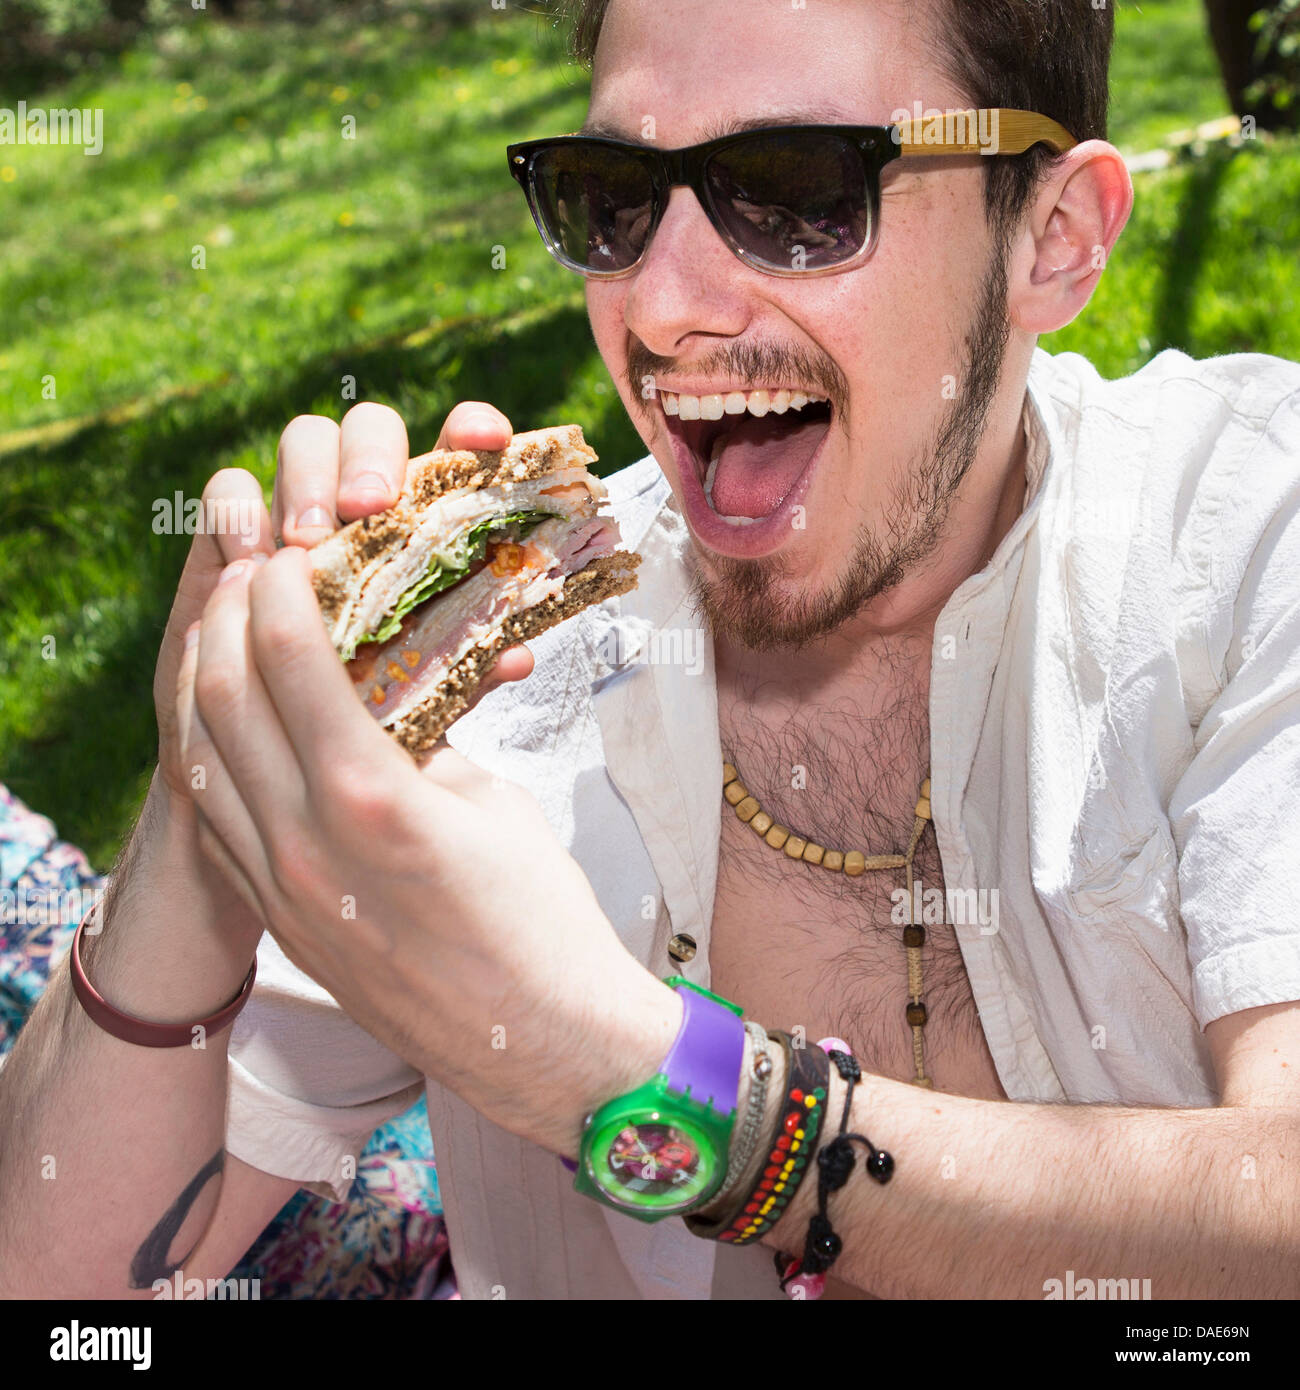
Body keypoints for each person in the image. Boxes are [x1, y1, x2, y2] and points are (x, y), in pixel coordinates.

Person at [2, 0, 1298, 1301]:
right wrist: (202, 801)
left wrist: (637, 1076)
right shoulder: (505, 676)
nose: (661, 307)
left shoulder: (1243, 533)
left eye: (797, 189)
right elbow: (63, 1293)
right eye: (612, 197)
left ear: (1055, 240)